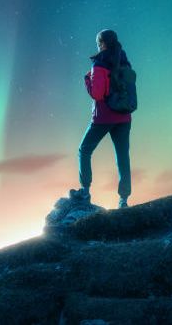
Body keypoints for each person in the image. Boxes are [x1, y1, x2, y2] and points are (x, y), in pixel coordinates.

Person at [69, 29, 133, 209]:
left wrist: (87, 79)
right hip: (124, 116)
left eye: (98, 43)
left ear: (102, 43)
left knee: (84, 150)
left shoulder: (100, 63)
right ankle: (124, 200)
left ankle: (85, 191)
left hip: (104, 116)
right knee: (122, 156)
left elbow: (97, 94)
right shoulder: (125, 61)